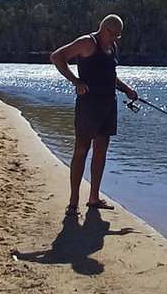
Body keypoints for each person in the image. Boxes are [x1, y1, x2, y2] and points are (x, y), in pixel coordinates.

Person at [50, 14, 138, 216]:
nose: (116, 39)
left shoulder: (112, 48)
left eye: (118, 36)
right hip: (89, 105)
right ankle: (73, 202)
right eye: (114, 35)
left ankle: (94, 197)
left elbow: (110, 75)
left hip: (108, 104)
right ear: (105, 29)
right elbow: (57, 57)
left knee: (101, 151)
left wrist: (126, 90)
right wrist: (76, 81)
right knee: (81, 150)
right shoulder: (87, 42)